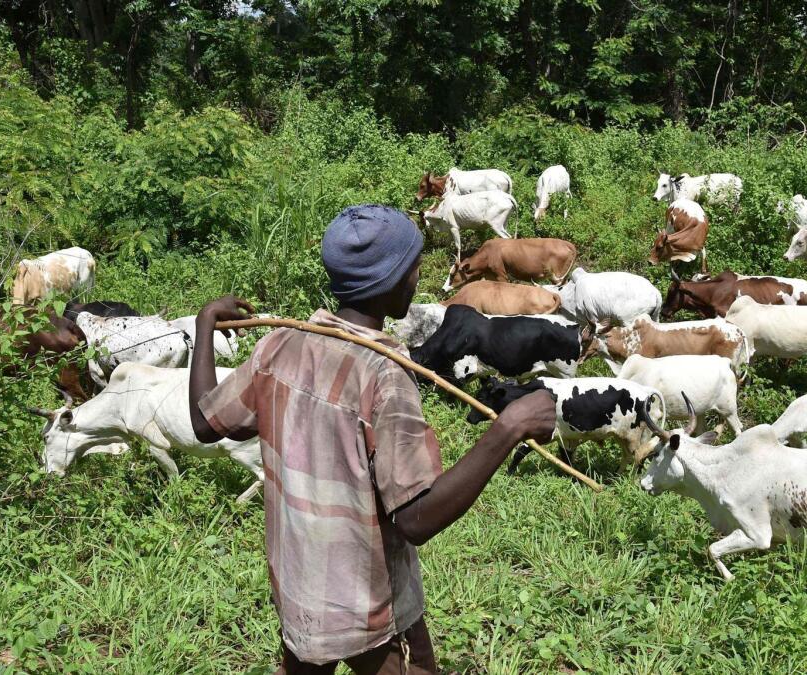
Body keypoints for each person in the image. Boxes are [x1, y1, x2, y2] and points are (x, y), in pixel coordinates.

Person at [187, 204, 557, 674]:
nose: (419, 276)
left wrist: (204, 326)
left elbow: (205, 422)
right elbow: (416, 519)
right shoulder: (384, 378)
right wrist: (508, 429)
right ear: (393, 281)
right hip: (365, 601)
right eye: (414, 267)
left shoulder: (278, 346)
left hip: (300, 589)